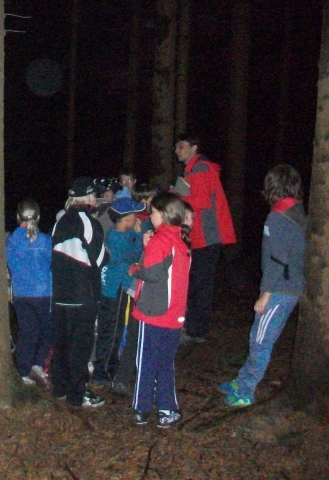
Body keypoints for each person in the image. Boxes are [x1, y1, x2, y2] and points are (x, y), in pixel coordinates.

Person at [220, 164, 306, 408]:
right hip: (287, 286)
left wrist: (266, 294)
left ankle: (246, 391)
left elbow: (278, 260)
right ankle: (241, 380)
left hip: (280, 289)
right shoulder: (296, 212)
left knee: (260, 341)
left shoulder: (278, 218)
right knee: (257, 336)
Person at [129, 193, 191, 428]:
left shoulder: (161, 240)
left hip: (153, 313)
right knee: (165, 363)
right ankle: (167, 410)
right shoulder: (181, 240)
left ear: (163, 215)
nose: (149, 216)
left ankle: (141, 409)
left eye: (152, 212)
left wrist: (135, 269)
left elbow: (152, 273)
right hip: (174, 314)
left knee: (146, 361)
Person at [51, 177, 109, 408]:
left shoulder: (60, 222)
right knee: (80, 347)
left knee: (62, 344)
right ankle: (77, 394)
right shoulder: (90, 224)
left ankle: (60, 388)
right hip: (83, 295)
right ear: (90, 198)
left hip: (60, 294)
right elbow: (99, 259)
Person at [174, 133, 236, 342]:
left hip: (206, 236)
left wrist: (177, 197)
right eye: (176, 147)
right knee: (199, 282)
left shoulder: (200, 169)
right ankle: (193, 328)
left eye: (182, 146)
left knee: (200, 284)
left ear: (194, 147)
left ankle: (195, 331)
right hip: (200, 236)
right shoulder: (192, 170)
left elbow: (199, 201)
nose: (177, 151)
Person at [93, 197, 145, 389]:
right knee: (112, 331)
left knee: (113, 330)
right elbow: (133, 255)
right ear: (126, 219)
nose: (137, 218)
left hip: (115, 288)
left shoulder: (117, 233)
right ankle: (103, 371)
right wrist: (139, 236)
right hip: (115, 289)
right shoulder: (116, 238)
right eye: (134, 215)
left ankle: (110, 367)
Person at [6, 199, 53, 386]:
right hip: (43, 294)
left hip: (20, 294)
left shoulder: (11, 241)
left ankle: (24, 371)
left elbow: (11, 265)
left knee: (27, 333)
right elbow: (51, 265)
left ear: (18, 217)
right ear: (38, 217)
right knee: (48, 331)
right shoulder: (46, 241)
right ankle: (38, 363)